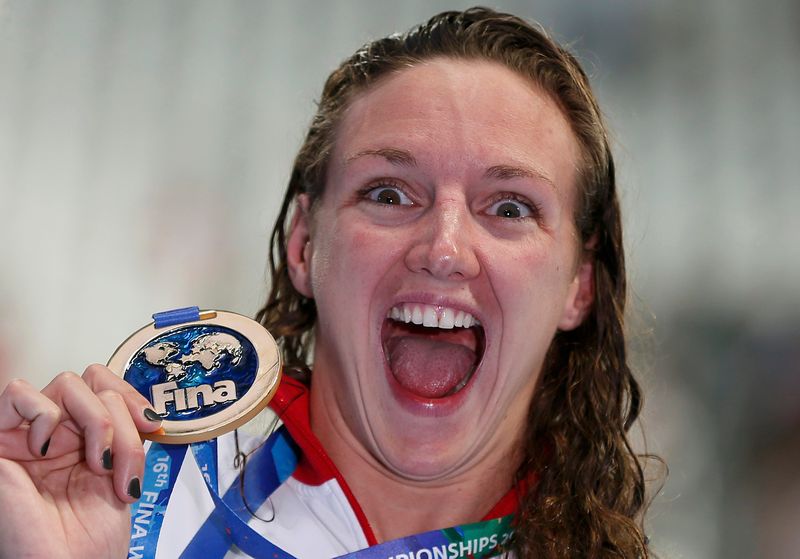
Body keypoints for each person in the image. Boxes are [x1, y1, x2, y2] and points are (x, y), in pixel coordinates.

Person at [0, 7, 652, 558]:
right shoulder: (135, 502)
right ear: (304, 245)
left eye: (510, 206)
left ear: (579, 285)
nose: (445, 248)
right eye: (389, 193)